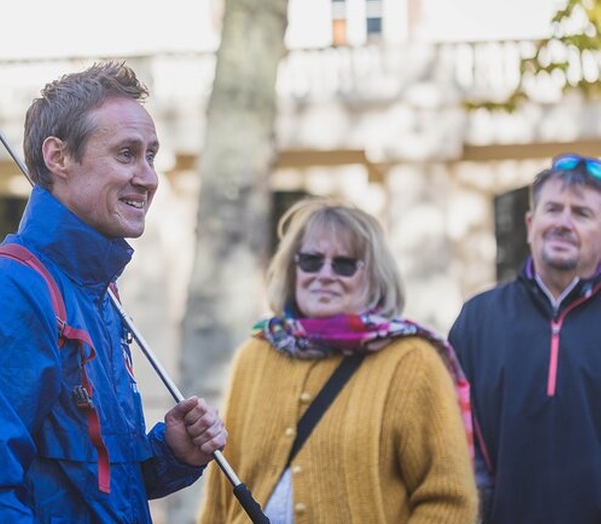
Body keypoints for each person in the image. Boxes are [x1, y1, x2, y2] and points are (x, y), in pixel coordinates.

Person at [0, 60, 227, 522]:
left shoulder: (96, 294)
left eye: (151, 156)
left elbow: (90, 488)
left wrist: (170, 454)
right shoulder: (5, 297)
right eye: (126, 154)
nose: (147, 177)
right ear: (58, 157)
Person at [197, 199, 478, 523]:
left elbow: (449, 501)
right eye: (312, 261)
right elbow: (220, 497)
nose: (326, 275)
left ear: (373, 277)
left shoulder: (413, 361)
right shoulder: (254, 356)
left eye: (344, 264)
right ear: (293, 267)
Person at [448, 153, 601, 524]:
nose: (563, 223)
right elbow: (449, 444)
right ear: (531, 224)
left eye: (581, 214)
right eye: (552, 209)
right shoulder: (478, 319)